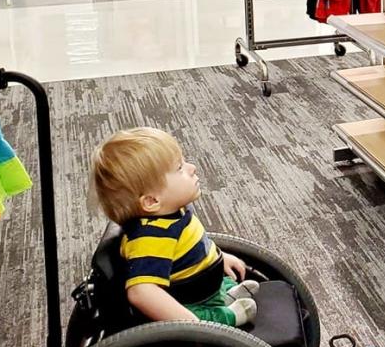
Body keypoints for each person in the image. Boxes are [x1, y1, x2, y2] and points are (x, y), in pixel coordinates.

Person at [91, 127, 259, 326]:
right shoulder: (152, 238)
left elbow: (194, 245)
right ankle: (227, 316)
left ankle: (224, 295)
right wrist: (191, 324)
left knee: (226, 281)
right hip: (191, 302)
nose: (192, 167)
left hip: (204, 284)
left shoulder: (172, 213)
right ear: (152, 201)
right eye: (179, 168)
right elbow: (141, 292)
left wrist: (220, 258)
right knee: (204, 316)